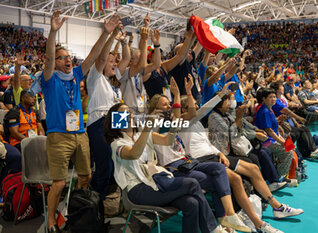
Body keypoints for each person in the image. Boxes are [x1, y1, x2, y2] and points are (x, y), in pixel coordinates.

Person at [42, 11, 120, 233]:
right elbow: (48, 59)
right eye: (62, 57)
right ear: (55, 63)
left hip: (81, 133)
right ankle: (50, 221)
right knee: (58, 183)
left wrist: (106, 33)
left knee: (85, 177)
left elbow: (95, 55)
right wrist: (53, 32)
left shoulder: (76, 74)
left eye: (68, 57)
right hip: (58, 135)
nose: (67, 60)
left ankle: (72, 213)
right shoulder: (48, 79)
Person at [147, 77, 251, 232]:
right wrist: (176, 96)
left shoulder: (174, 120)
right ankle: (218, 226)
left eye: (170, 104)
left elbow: (197, 112)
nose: (168, 106)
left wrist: (190, 93)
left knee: (219, 170)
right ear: (155, 108)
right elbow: (179, 117)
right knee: (216, 180)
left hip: (186, 161)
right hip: (173, 167)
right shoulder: (153, 123)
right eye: (165, 104)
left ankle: (225, 219)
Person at [104, 102, 226, 233]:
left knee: (191, 203)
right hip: (136, 190)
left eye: (129, 112)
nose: (128, 115)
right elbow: (134, 153)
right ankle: (213, 229)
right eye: (123, 113)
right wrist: (147, 127)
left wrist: (173, 124)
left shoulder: (142, 135)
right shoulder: (116, 143)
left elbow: (168, 141)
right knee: (192, 183)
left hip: (155, 182)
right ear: (115, 120)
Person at [178, 84, 284, 233]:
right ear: (183, 110)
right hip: (200, 159)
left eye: (196, 105)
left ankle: (275, 207)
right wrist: (215, 94)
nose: (196, 107)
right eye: (193, 105)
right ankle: (255, 222)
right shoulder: (182, 121)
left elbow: (207, 143)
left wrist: (219, 154)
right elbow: (207, 110)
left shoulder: (198, 123)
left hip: (214, 155)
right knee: (236, 179)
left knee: (252, 167)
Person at [208, 93, 304, 220]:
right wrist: (239, 118)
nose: (231, 103)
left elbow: (240, 129)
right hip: (221, 154)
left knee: (253, 160)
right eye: (227, 100)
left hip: (230, 152)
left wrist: (245, 123)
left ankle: (263, 199)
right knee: (256, 160)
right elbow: (231, 133)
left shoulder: (227, 114)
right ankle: (274, 203)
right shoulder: (214, 117)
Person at [86, 18, 125, 199]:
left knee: (118, 161)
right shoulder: (95, 76)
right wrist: (110, 34)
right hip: (99, 124)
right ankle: (96, 203)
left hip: (114, 123)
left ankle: (110, 199)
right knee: (105, 164)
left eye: (114, 62)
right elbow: (102, 56)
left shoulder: (112, 86)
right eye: (111, 61)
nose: (114, 64)